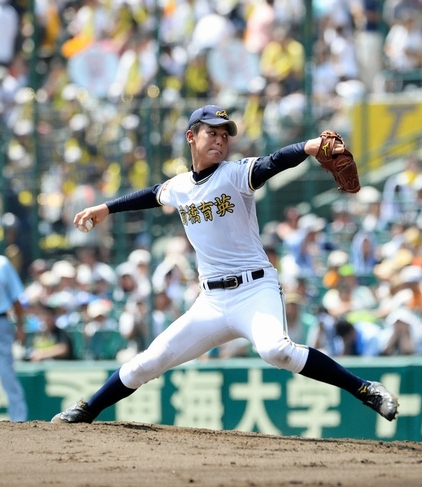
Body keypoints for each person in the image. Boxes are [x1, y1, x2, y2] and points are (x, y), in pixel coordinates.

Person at [51, 104, 398, 425]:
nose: (219, 140)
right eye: (211, 133)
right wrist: (105, 209)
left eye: (224, 135)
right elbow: (152, 194)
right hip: (212, 302)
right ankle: (88, 409)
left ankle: (365, 389)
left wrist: (309, 146)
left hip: (255, 289)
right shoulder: (180, 187)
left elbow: (273, 162)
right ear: (191, 137)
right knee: (150, 360)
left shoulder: (234, 174)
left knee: (276, 350)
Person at [0, 254, 28, 421]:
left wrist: (20, 327)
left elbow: (17, 300)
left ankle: (19, 419)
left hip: (1, 321)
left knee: (7, 372)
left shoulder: (2, 263)